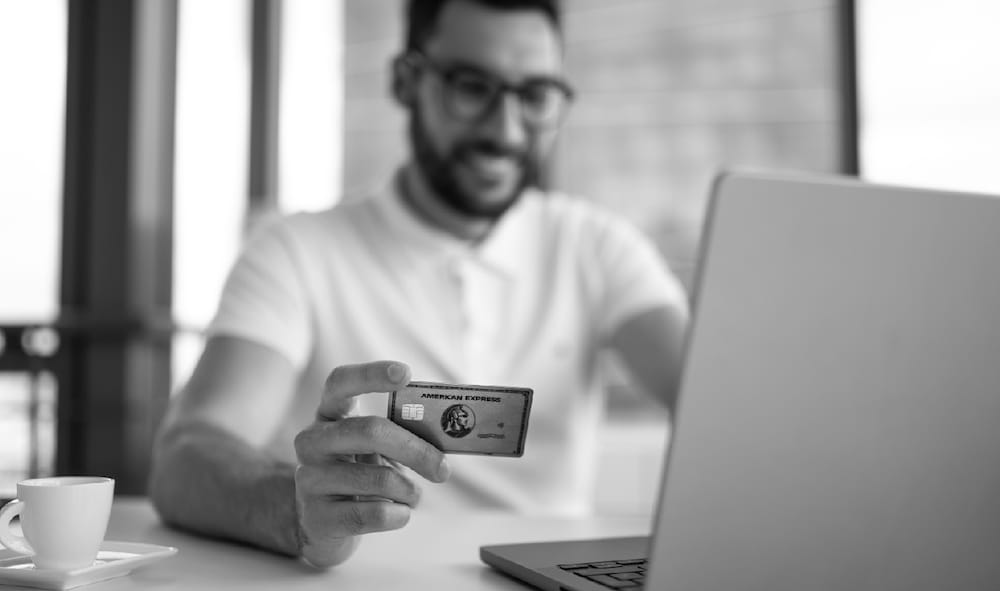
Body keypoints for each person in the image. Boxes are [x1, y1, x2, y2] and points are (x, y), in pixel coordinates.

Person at [149, 0, 689, 569]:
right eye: (472, 86)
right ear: (407, 81)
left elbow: (719, 404)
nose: (506, 130)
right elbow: (186, 456)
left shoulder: (599, 247)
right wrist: (297, 509)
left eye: (534, 96)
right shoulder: (296, 252)